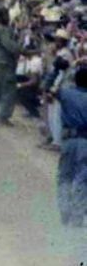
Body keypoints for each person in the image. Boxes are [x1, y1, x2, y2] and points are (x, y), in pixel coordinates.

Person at [55, 64, 87, 225]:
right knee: (82, 178)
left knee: (64, 176)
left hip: (68, 140)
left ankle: (65, 211)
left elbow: (47, 90)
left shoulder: (65, 93)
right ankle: (77, 215)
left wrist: (60, 70)